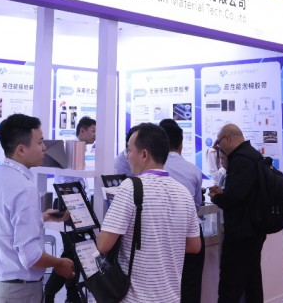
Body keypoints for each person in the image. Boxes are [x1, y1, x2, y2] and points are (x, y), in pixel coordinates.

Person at [97, 123, 201, 302]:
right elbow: (194, 246)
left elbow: (104, 244)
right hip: (171, 298)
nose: (127, 156)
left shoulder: (130, 188)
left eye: (129, 150)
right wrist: (161, 243)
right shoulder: (183, 192)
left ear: (144, 154)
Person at [0, 113, 74, 303]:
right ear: (21, 149)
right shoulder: (24, 188)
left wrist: (43, 217)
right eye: (39, 142)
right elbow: (31, 257)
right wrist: (59, 263)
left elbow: (4, 226)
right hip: (19, 292)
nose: (44, 147)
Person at [208, 123, 267, 303]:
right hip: (253, 230)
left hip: (241, 234)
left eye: (219, 143)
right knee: (252, 283)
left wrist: (217, 197)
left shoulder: (241, 159)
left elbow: (234, 197)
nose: (219, 148)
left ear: (227, 139)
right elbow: (242, 193)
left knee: (230, 287)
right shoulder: (253, 155)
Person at [45, 116, 97, 303]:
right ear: (82, 130)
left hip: (75, 204)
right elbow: (66, 181)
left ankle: (71, 295)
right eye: (93, 131)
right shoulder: (70, 149)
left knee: (75, 251)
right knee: (71, 252)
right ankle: (51, 293)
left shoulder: (77, 149)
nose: (95, 135)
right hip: (69, 205)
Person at [159, 118, 204, 303]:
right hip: (189, 234)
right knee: (190, 288)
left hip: (160, 237)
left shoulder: (148, 171)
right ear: (181, 144)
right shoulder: (194, 170)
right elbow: (197, 205)